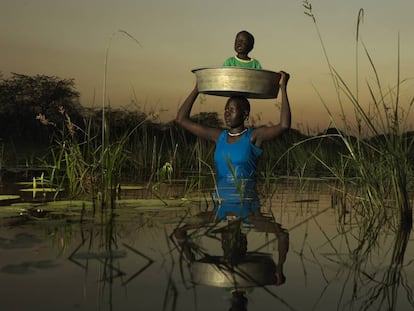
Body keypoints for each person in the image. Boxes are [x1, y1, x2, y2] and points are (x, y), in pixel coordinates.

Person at [176, 71, 291, 221]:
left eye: (232, 110)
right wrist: (198, 88)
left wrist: (283, 88)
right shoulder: (219, 137)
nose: (227, 114)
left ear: (244, 114)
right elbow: (181, 119)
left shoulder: (254, 137)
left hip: (247, 205)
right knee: (183, 229)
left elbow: (284, 125)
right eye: (225, 109)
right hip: (220, 205)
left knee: (280, 233)